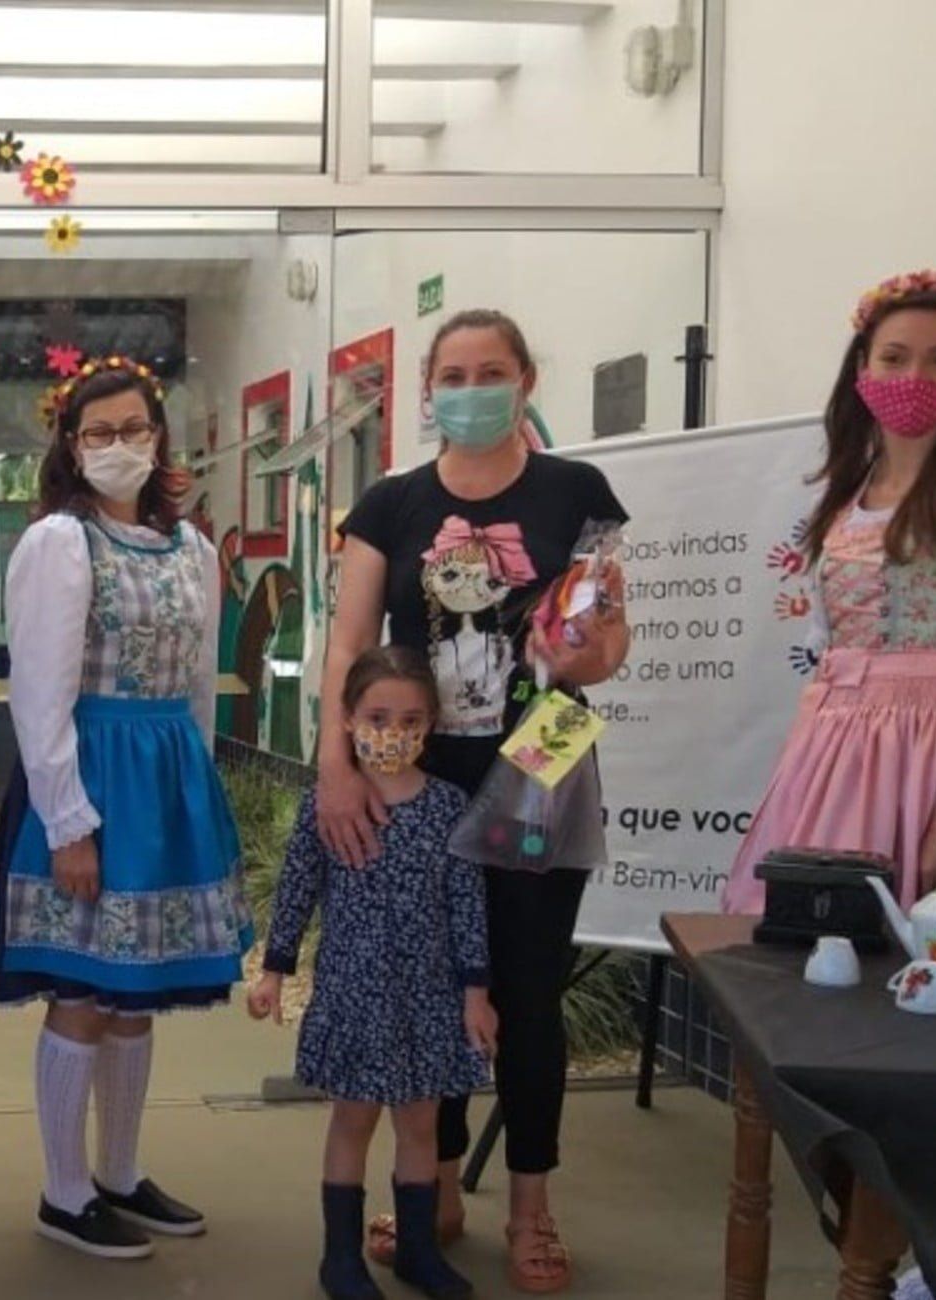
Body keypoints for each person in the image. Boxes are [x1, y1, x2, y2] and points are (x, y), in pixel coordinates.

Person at [316, 310, 629, 1294]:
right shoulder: (391, 503)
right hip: (419, 780)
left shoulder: (577, 492)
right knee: (432, 988)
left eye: (490, 371)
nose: (471, 389)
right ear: (427, 389)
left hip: (540, 767)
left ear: (525, 379)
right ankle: (436, 1191)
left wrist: (581, 653)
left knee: (527, 995)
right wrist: (335, 765)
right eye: (451, 374)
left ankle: (532, 1207)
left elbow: (610, 642)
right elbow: (347, 645)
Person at [0, 356, 251, 1261]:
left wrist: (197, 795)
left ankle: (121, 1173)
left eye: (134, 428)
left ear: (159, 436)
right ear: (71, 444)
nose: (119, 445)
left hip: (166, 779)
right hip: (95, 777)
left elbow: (200, 685)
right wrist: (68, 822)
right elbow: (38, 692)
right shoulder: (62, 542)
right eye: (99, 432)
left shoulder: (193, 549)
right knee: (85, 991)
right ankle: (64, 1193)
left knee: (137, 997)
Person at [724, 270, 936, 911]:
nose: (916, 376)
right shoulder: (843, 494)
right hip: (838, 751)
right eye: (895, 357)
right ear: (863, 365)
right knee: (816, 929)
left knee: (928, 932)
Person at [251, 645, 495, 1300]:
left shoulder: (448, 808)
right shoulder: (329, 805)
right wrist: (274, 971)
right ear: (349, 719)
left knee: (419, 1124)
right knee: (352, 1122)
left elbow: (467, 905)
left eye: (411, 720)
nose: (393, 733)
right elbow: (297, 890)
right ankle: (340, 1259)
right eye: (378, 718)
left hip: (429, 998)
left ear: (432, 725)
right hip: (354, 994)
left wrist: (476, 993)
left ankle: (418, 1249)